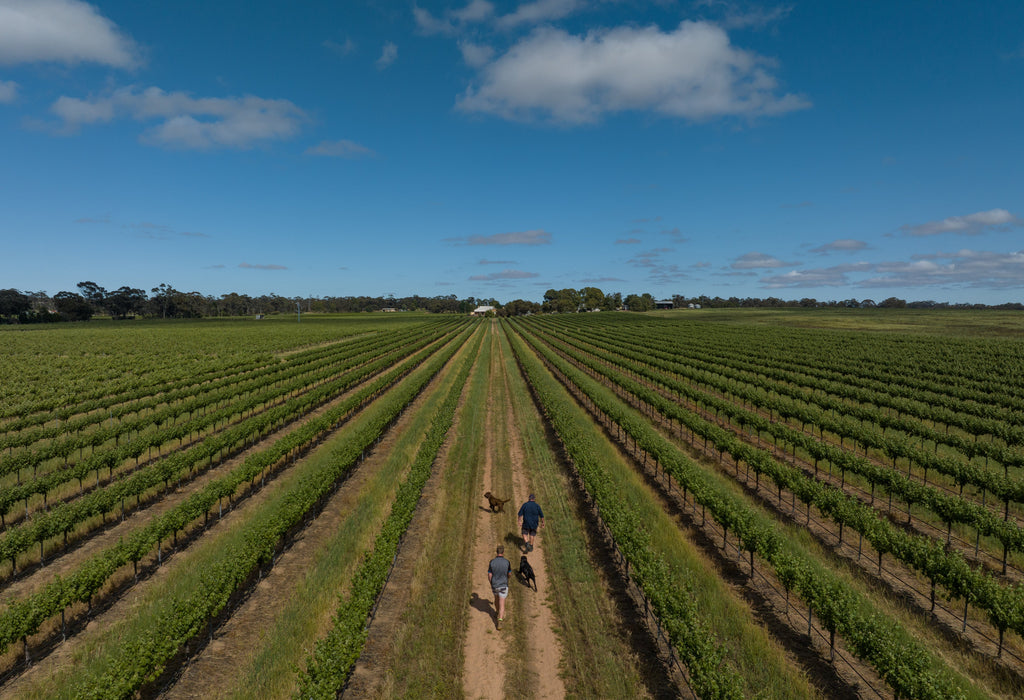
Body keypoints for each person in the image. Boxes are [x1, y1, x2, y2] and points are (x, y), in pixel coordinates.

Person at [488, 545, 512, 629]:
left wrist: (491, 583)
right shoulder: (507, 562)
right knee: (502, 603)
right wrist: (508, 578)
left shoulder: (492, 562)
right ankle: (500, 619)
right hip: (503, 585)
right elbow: (509, 573)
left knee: (496, 600)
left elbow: (490, 574)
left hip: (495, 585)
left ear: (496, 552)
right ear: (503, 552)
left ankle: (497, 612)